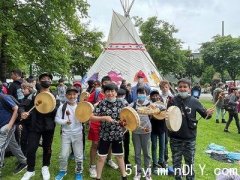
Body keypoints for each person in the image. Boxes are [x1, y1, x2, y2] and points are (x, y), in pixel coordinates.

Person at [169, 78, 214, 180]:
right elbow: (167, 116)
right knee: (176, 163)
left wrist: (208, 113)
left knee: (189, 163)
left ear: (189, 89)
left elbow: (205, 115)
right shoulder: (172, 100)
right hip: (175, 138)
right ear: (177, 88)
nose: (182, 89)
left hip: (190, 139)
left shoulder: (194, 101)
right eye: (180, 87)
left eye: (185, 87)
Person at [21, 73, 59, 180]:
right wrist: (23, 112)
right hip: (34, 125)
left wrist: (49, 105)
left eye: (48, 79)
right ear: (39, 81)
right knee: (31, 148)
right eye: (43, 79)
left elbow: (58, 110)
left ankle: (45, 167)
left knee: (47, 148)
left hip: (49, 126)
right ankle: (30, 170)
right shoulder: (33, 95)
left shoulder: (54, 96)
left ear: (50, 82)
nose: (46, 80)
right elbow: (23, 106)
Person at [90, 83, 127, 180]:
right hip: (104, 135)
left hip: (117, 134)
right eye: (108, 91)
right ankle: (98, 177)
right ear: (104, 92)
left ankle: (124, 176)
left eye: (112, 91)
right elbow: (91, 117)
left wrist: (124, 123)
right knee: (101, 157)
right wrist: (104, 118)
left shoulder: (122, 103)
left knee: (119, 156)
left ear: (116, 92)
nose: (110, 93)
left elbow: (128, 117)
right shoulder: (101, 104)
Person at [87, 76, 118, 178]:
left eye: (108, 82)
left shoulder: (113, 95)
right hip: (96, 123)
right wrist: (94, 105)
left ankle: (109, 160)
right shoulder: (96, 93)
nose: (106, 84)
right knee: (95, 144)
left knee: (108, 144)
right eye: (105, 82)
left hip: (108, 125)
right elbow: (87, 105)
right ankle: (92, 166)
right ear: (102, 83)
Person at [55, 87, 84, 180]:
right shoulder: (62, 107)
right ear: (66, 95)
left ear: (77, 95)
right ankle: (63, 170)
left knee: (79, 155)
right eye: (70, 94)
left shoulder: (81, 106)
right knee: (63, 155)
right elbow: (57, 119)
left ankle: (79, 172)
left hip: (78, 133)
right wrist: (64, 122)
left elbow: (86, 117)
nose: (72, 96)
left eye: (74, 94)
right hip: (66, 134)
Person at [0, 90, 27, 177]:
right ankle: (23, 161)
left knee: (0, 147)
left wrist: (10, 125)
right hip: (2, 127)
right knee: (13, 145)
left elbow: (16, 109)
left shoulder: (4, 97)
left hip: (7, 126)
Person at [131, 87, 155, 180]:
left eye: (143, 93)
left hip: (146, 131)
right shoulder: (133, 104)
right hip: (135, 131)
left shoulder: (150, 104)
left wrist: (155, 109)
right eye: (140, 93)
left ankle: (148, 173)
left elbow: (159, 109)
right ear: (137, 94)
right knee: (137, 153)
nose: (141, 95)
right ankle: (138, 172)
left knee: (147, 153)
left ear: (146, 94)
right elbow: (126, 110)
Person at [149, 90, 167, 175]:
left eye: (157, 95)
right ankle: (155, 164)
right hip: (153, 129)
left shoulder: (162, 104)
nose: (155, 97)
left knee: (162, 146)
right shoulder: (149, 105)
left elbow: (165, 111)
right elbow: (149, 115)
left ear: (159, 96)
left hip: (162, 128)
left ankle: (161, 161)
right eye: (153, 96)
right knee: (154, 146)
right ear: (151, 97)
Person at [18, 82, 36, 156]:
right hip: (25, 123)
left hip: (33, 123)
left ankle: (29, 155)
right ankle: (23, 156)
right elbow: (21, 107)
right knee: (23, 140)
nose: (22, 90)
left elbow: (37, 110)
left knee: (31, 140)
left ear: (30, 89)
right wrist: (22, 113)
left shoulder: (34, 98)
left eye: (24, 89)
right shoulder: (23, 99)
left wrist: (29, 114)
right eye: (22, 89)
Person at [159, 80, 174, 165]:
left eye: (166, 87)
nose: (165, 89)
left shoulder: (172, 97)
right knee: (163, 140)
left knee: (167, 140)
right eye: (163, 87)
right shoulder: (159, 97)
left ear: (168, 87)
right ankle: (163, 158)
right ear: (160, 88)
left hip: (169, 121)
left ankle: (166, 157)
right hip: (160, 122)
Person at [117, 88, 130, 167]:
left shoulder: (127, 104)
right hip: (117, 127)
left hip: (126, 127)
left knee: (126, 144)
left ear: (125, 96)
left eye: (122, 96)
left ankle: (126, 160)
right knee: (118, 144)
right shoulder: (115, 104)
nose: (120, 97)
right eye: (119, 96)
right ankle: (119, 160)